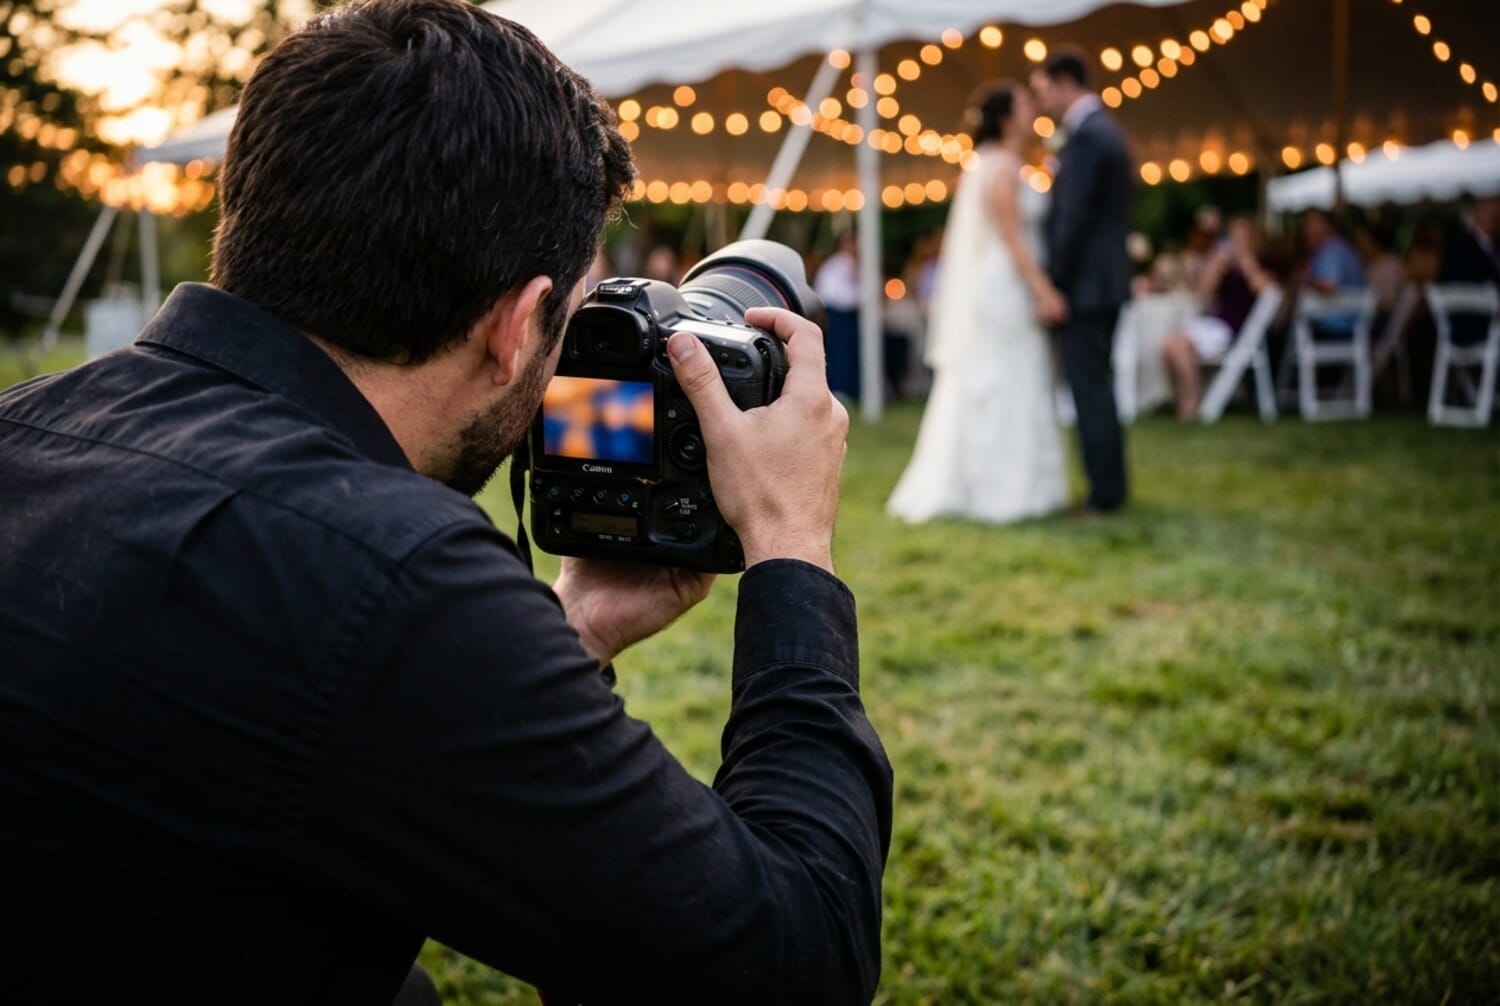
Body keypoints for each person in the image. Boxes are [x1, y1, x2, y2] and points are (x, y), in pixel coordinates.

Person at [0, 2, 892, 1004]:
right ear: (517, 327)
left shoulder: (23, 428)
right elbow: (795, 958)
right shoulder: (391, 579)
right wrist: (791, 546)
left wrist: (565, 633)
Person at [887, 81, 1068, 525]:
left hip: (1001, 284)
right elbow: (1012, 239)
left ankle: (1000, 484)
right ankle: (999, 488)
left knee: (1004, 374)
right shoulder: (1002, 167)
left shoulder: (990, 164)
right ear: (1006, 117)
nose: (1032, 111)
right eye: (1024, 105)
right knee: (1002, 376)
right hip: (1005, 287)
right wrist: (1044, 290)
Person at [1030, 47, 1132, 514]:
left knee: (1090, 390)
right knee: (1097, 387)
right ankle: (1109, 487)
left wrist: (1053, 284)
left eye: (1043, 90)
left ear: (1065, 82)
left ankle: (1105, 495)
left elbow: (1072, 219)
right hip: (1102, 284)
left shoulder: (1088, 137)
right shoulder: (1102, 131)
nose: (1041, 101)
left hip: (1087, 287)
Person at [1160, 217, 1276, 420]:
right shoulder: (1225, 266)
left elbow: (1268, 291)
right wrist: (1215, 266)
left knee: (1177, 346)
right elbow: (1202, 295)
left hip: (1235, 331)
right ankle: (1188, 398)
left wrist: (1246, 261)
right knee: (1170, 345)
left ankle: (1191, 401)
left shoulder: (1262, 263)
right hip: (1216, 324)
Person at [1437, 197, 1500, 346]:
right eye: (1491, 212)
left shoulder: (1494, 246)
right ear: (1476, 213)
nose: (1495, 217)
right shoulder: (1459, 247)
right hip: (1473, 324)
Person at [815, 230, 862, 400]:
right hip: (839, 313)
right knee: (841, 351)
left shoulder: (843, 264)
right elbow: (839, 294)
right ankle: (839, 388)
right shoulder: (843, 264)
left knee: (843, 351)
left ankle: (845, 388)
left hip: (840, 313)